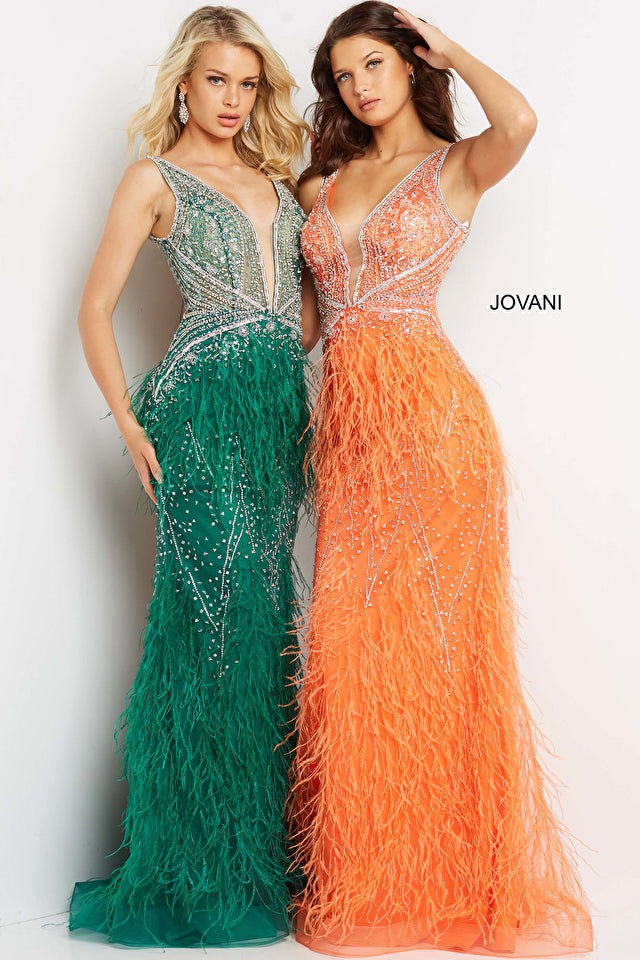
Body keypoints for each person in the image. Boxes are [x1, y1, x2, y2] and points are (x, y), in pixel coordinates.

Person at [289, 2, 593, 955]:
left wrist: (454, 52)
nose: (358, 86)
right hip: (348, 440)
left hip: (435, 426)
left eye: (373, 63)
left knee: (440, 648)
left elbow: (524, 124)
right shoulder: (321, 185)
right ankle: (377, 876)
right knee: (355, 646)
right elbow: (304, 326)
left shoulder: (458, 166)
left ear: (408, 63)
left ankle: (453, 875)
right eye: (341, 75)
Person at [68, 5, 318, 947]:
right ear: (184, 81)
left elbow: (298, 313)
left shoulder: (275, 181)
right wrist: (129, 423)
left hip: (274, 416)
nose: (233, 99)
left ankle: (252, 851)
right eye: (218, 80)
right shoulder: (153, 178)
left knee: (261, 626)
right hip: (198, 417)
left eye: (248, 84)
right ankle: (191, 864)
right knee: (205, 629)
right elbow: (94, 309)